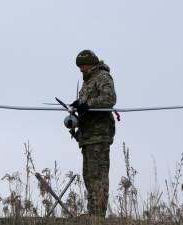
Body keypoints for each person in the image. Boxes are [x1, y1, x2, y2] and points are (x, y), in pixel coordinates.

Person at [71, 50, 116, 217]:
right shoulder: (88, 81)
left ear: (91, 63)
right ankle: (93, 214)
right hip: (88, 135)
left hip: (99, 134)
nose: (81, 69)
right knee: (89, 176)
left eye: (83, 65)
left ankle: (97, 216)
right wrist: (78, 106)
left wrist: (87, 104)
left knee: (97, 176)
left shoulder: (102, 77)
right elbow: (86, 106)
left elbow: (109, 99)